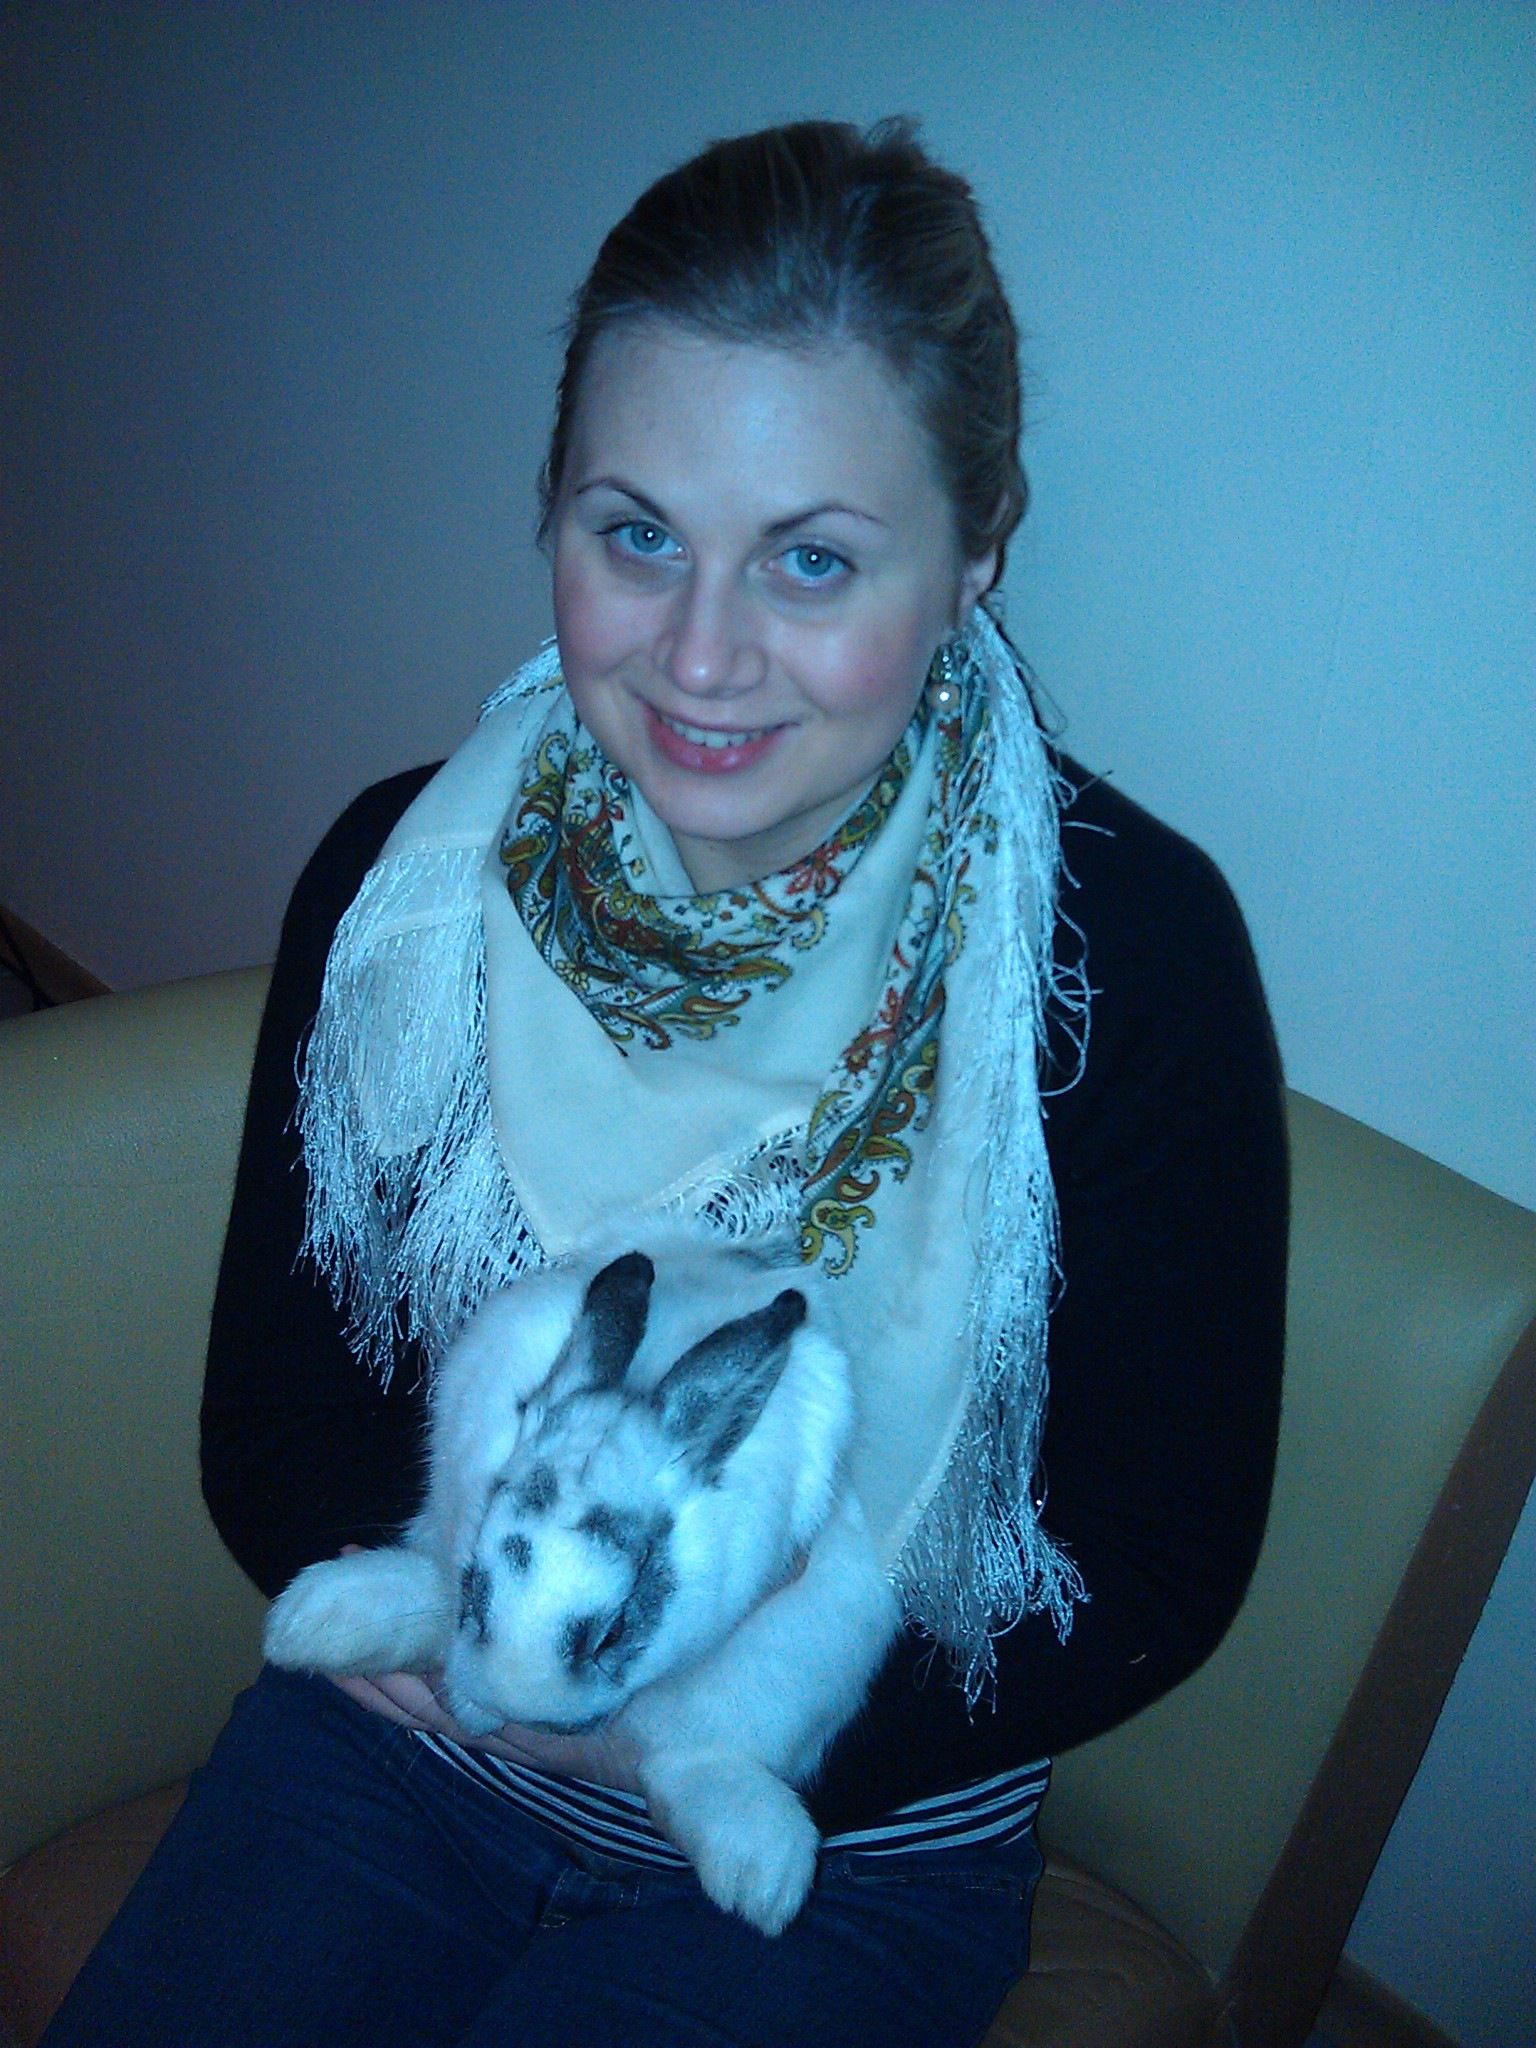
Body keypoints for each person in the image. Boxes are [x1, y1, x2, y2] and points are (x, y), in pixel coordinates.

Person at [43, 118, 1286, 2048]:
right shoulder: (402, 889)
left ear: (974, 556)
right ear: (552, 514)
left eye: (813, 559)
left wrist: (693, 1729)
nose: (702, 657)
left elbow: (1154, 1562)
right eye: (636, 536)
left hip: (839, 1835)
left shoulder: (1128, 962)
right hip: (408, 1737)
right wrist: (480, 1651)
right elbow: (273, 1421)